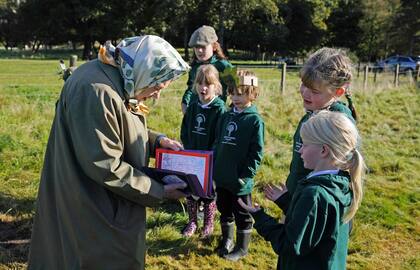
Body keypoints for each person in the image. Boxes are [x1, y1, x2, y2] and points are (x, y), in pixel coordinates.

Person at [28, 35, 190, 270]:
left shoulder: (120, 76)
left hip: (98, 199)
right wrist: (159, 190)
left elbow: (118, 123)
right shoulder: (98, 92)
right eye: (157, 86)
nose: (156, 95)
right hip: (93, 205)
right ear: (144, 69)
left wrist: (158, 141)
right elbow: (105, 165)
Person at [239, 111, 365, 270]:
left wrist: (260, 217)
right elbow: (318, 222)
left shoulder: (315, 194)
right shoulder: (342, 183)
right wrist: (287, 202)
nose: (300, 151)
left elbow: (289, 245)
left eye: (305, 144)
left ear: (323, 150)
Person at [274, 47, 357, 211]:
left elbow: (338, 173)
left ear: (338, 92)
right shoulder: (311, 114)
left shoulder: (338, 121)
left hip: (316, 206)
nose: (305, 93)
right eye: (303, 85)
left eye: (314, 91)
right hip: (298, 198)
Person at [212, 70, 264, 261]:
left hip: (240, 181)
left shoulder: (254, 120)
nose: (236, 98)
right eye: (233, 93)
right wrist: (214, 167)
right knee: (224, 208)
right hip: (222, 177)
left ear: (253, 94)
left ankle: (242, 248)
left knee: (242, 212)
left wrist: (245, 176)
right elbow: (218, 142)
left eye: (241, 93)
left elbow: (256, 153)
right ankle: (227, 240)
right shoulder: (226, 116)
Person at [180, 65, 225, 238]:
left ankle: (208, 223)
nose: (203, 88)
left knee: (207, 192)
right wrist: (188, 150)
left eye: (208, 84)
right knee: (190, 190)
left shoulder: (219, 109)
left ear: (216, 86)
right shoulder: (192, 107)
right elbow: (185, 130)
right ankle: (192, 222)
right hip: (192, 158)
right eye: (200, 83)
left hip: (209, 160)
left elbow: (219, 137)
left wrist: (209, 156)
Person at [181, 25, 233, 114]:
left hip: (216, 114)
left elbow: (239, 87)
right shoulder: (194, 67)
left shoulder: (224, 65)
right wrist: (184, 103)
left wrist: (231, 110)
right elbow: (190, 88)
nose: (199, 50)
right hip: (195, 113)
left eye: (203, 47)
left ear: (214, 46)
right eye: (196, 47)